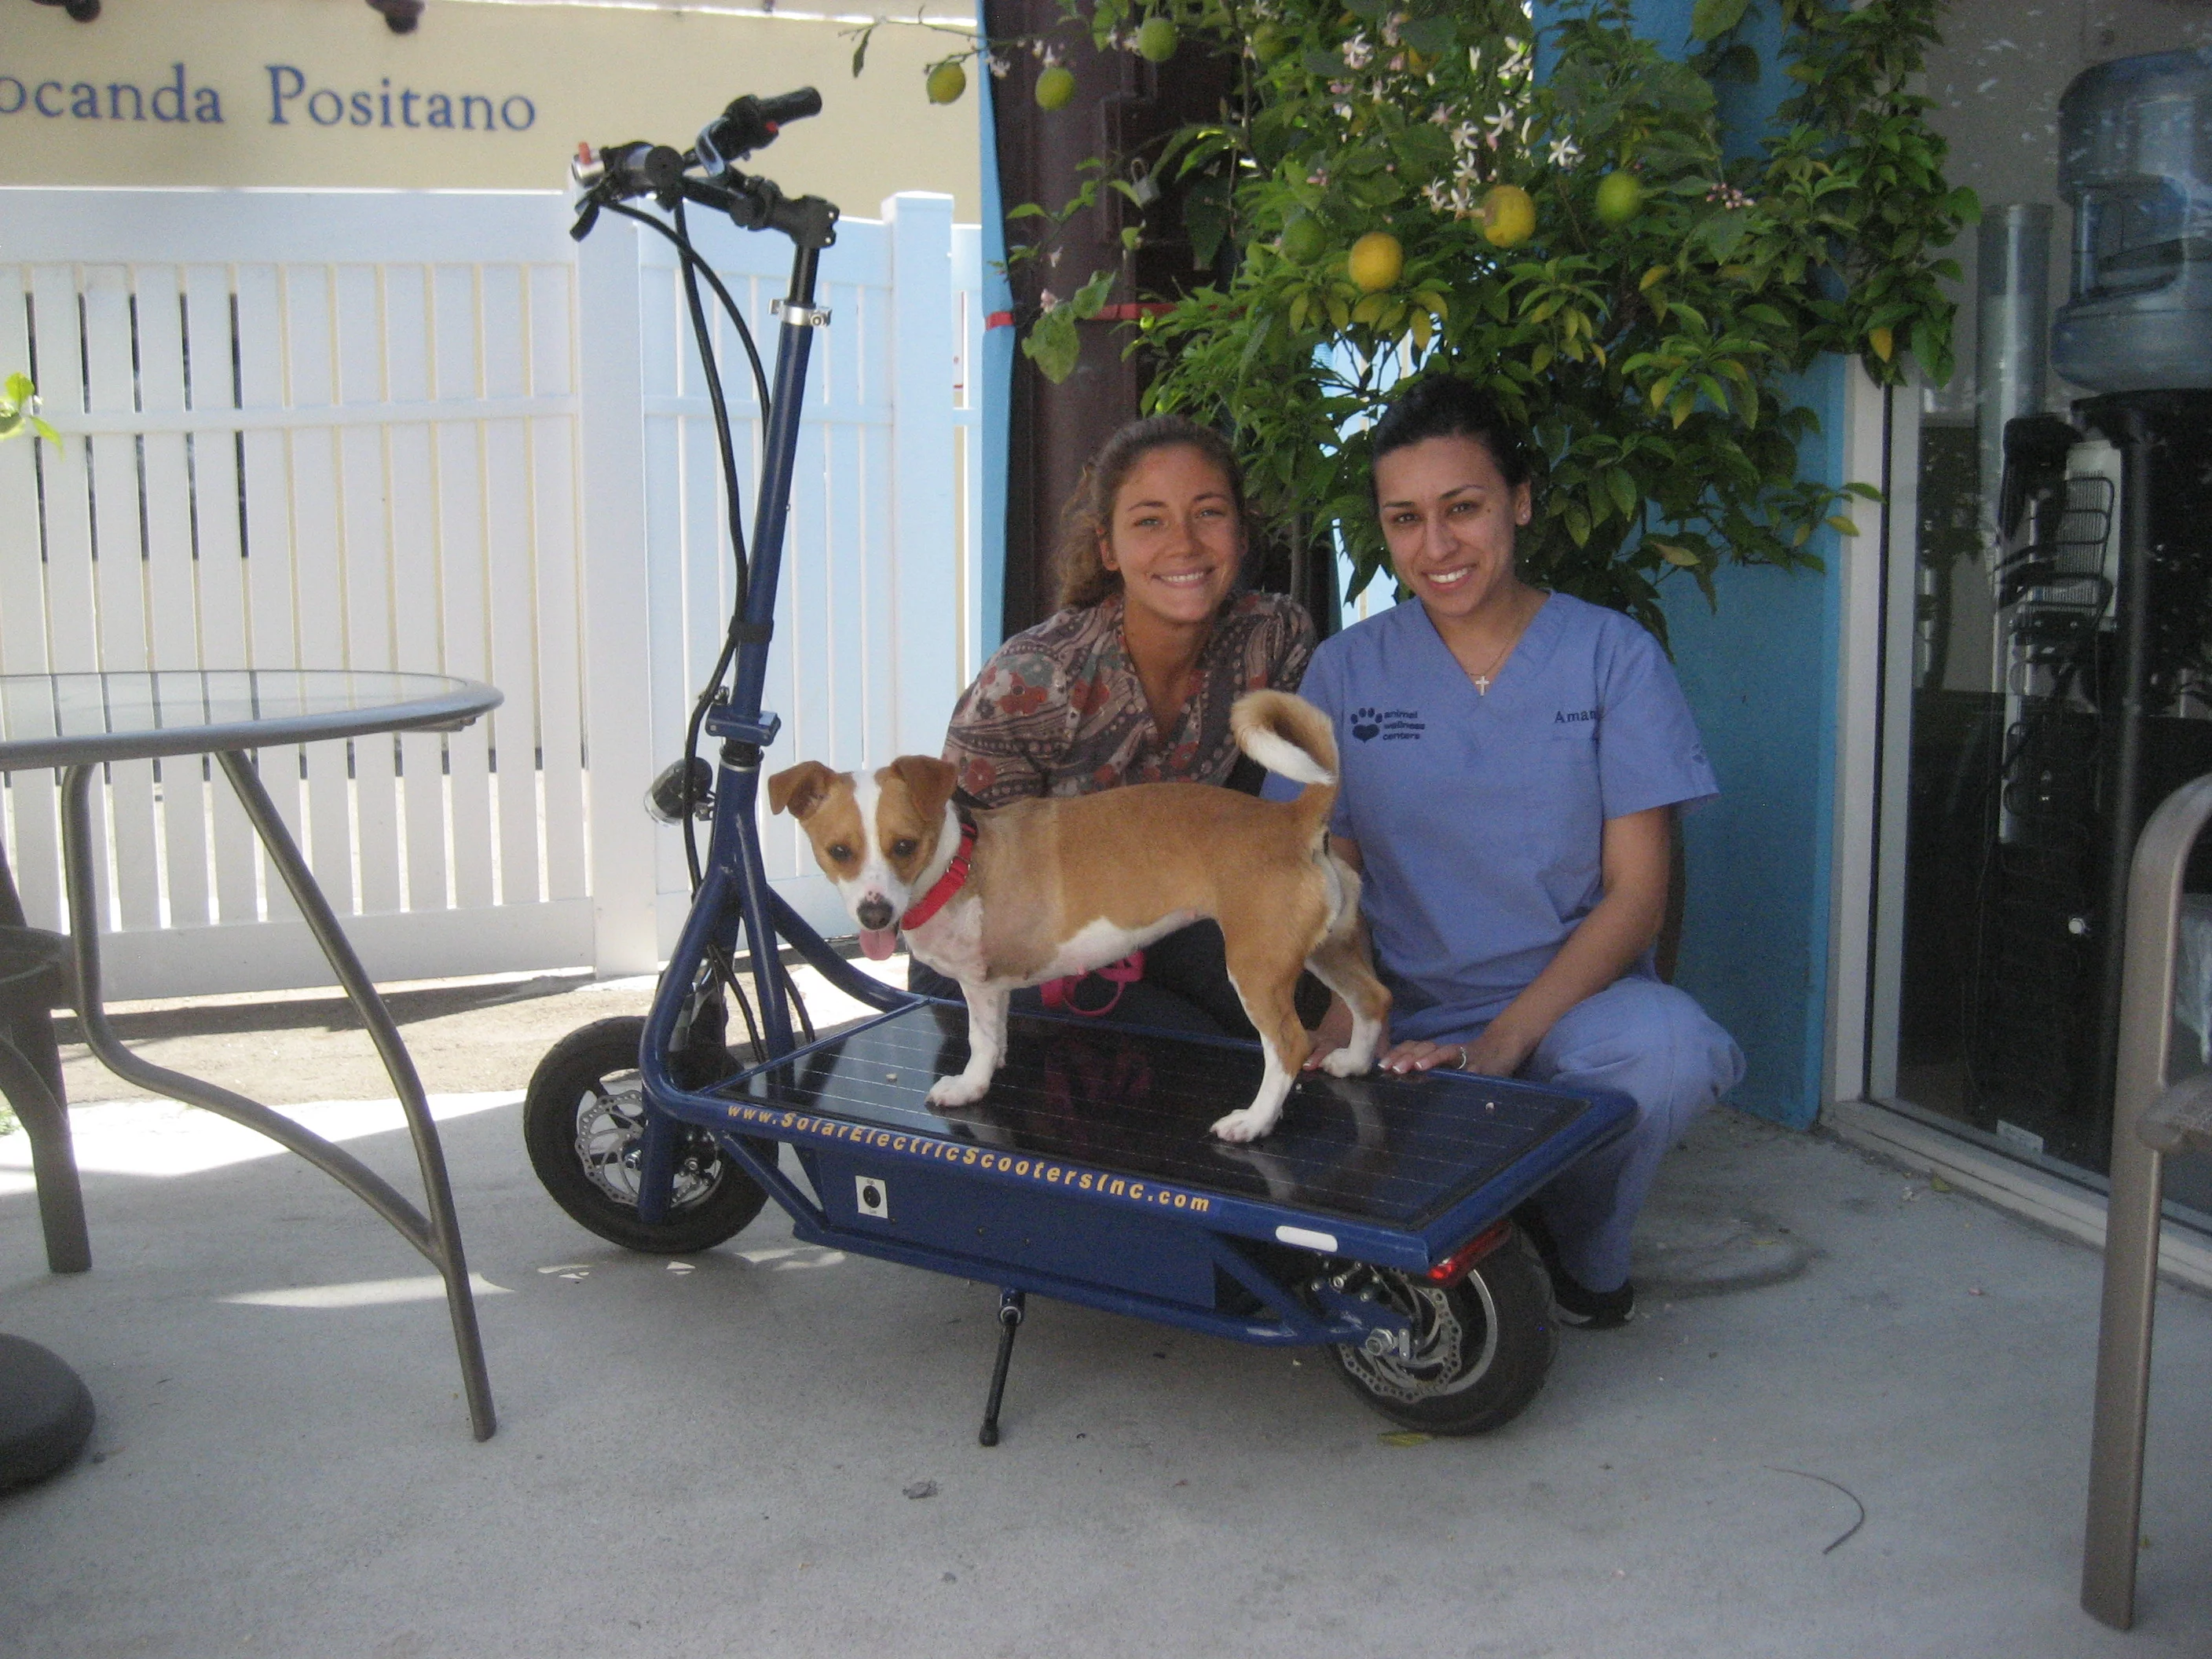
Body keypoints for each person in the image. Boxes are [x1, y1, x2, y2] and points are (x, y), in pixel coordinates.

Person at [1273, 375, 1745, 1328]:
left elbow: (1636, 897)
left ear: (1519, 502)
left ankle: (1578, 1241)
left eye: (1463, 508)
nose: (1436, 546)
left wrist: (1504, 1043)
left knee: (1669, 1049)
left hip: (1575, 1011)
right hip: (1403, 1013)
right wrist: (1345, 1023)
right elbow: (1326, 881)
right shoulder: (1346, 670)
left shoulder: (1611, 657)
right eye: (1404, 519)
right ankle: (1474, 1204)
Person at [910, 413, 1320, 1035]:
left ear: (1242, 528)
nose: (1183, 542)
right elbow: (960, 878)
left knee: (1305, 996)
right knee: (1181, 1045)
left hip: (1171, 905)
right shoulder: (1031, 681)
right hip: (1002, 935)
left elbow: (1257, 825)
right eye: (1149, 521)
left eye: (1208, 512)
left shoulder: (1275, 639)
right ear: (1108, 547)